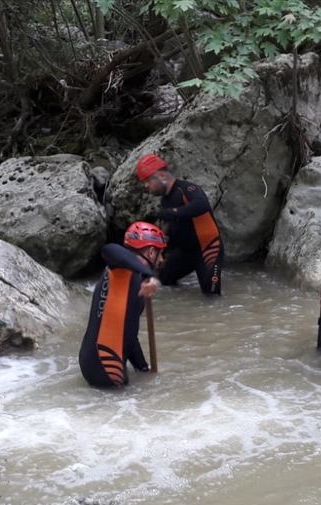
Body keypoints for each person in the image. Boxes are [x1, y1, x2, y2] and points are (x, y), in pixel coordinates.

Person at [79, 222, 165, 388]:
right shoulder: (120, 268)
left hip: (92, 361)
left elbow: (129, 333)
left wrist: (143, 369)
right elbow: (109, 249)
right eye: (160, 253)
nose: (161, 259)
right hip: (106, 369)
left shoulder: (129, 276)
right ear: (151, 251)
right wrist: (150, 274)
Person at [136, 153, 223, 296]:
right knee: (164, 280)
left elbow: (202, 205)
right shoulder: (166, 201)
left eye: (147, 181)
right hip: (185, 253)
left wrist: (173, 212)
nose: (146, 186)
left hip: (208, 249)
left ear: (162, 175)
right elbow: (170, 230)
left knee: (211, 296)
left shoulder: (188, 189)